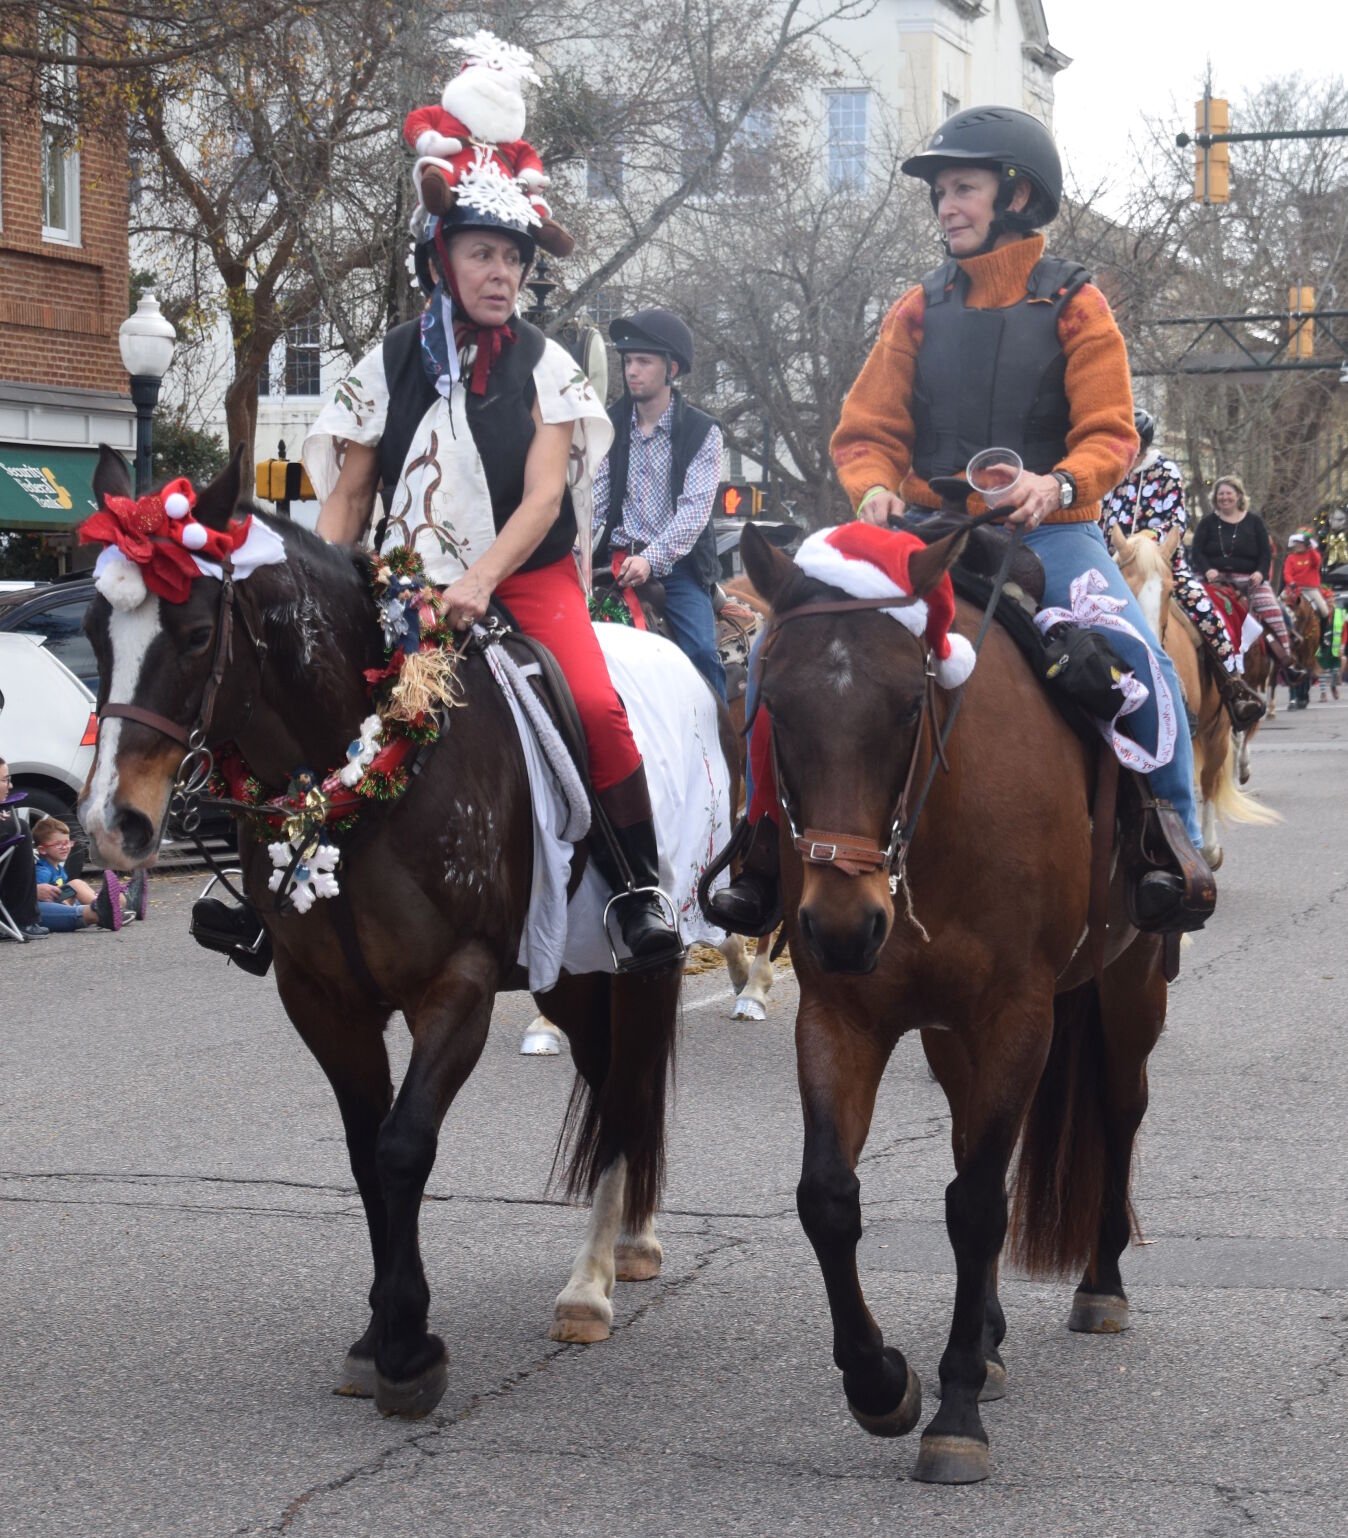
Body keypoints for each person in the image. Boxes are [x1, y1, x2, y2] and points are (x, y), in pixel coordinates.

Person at [710, 104, 1212, 937]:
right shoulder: (915, 308)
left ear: (1015, 194)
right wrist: (872, 485)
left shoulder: (1079, 305)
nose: (947, 205)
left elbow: (1111, 432)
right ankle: (763, 851)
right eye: (941, 191)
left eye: (963, 189)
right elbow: (868, 431)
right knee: (774, 646)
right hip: (924, 532)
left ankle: (1174, 849)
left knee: (1141, 661)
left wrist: (1057, 483)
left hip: (1050, 533)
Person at [301, 76, 680, 966]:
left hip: (524, 576)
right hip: (401, 580)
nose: (502, 273)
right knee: (312, 696)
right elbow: (351, 495)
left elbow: (546, 496)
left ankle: (638, 885)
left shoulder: (548, 365)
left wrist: (478, 582)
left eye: (513, 258)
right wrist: (317, 592)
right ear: (442, 260)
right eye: (482, 254)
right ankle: (278, 877)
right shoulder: (388, 360)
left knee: (595, 705)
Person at [591, 309, 728, 701]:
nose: (632, 370)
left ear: (671, 369)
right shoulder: (609, 424)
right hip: (612, 563)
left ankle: (721, 750)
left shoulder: (703, 432)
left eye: (643, 362)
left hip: (676, 569)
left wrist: (652, 559)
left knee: (701, 652)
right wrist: (576, 552)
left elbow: (693, 513)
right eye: (628, 361)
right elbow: (596, 505)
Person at [1101, 409, 1265, 729]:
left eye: (1134, 443)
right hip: (1114, 561)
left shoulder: (1166, 471)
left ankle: (1233, 686)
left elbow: (1175, 520)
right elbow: (1101, 516)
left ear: (1144, 444)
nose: (1128, 450)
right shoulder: (1109, 471)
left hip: (1162, 560)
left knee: (1206, 612)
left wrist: (1146, 540)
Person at [0, 762, 123, 936]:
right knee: (51, 900)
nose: (10, 785)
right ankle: (97, 912)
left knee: (73, 887)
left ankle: (123, 902)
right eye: (5, 780)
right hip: (13, 904)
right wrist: (31, 891)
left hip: (15, 897)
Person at [1191, 475, 1298, 669]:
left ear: (1239, 496)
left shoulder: (1254, 522)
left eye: (1229, 493)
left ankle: (1285, 660)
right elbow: (1196, 552)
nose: (1224, 497)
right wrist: (1207, 570)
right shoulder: (1207, 523)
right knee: (1192, 607)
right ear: (1215, 497)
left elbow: (1266, 553)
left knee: (1273, 611)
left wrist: (1259, 573)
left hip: (1249, 579)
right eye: (1220, 494)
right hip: (1214, 579)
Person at [33, 816, 146, 922]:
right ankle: (109, 912)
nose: (65, 847)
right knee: (76, 885)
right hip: (55, 908)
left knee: (107, 896)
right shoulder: (43, 871)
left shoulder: (57, 868)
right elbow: (39, 899)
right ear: (42, 850)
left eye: (67, 842)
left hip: (65, 903)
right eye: (58, 844)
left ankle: (129, 902)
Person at [1281, 529, 1331, 623]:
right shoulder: (1290, 557)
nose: (1298, 545)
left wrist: (1310, 549)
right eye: (1297, 542)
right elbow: (1287, 573)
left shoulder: (1313, 555)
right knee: (1277, 605)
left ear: (1306, 544)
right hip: (1293, 589)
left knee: (1324, 611)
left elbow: (1316, 562)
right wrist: (1291, 583)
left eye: (1301, 543)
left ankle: (1322, 636)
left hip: (1310, 590)